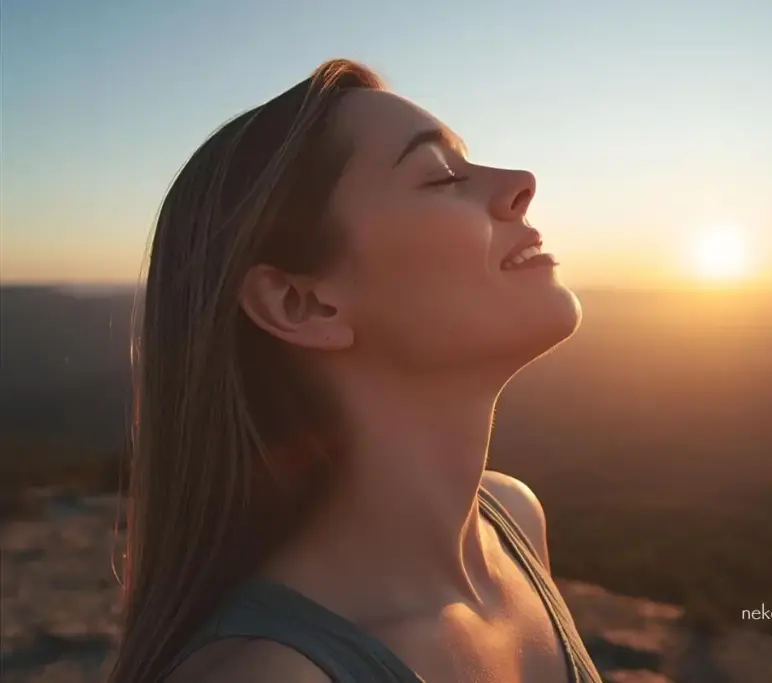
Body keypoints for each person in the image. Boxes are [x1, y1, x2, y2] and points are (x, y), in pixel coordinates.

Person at [106, 59, 602, 683]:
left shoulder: (513, 521)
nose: (521, 182)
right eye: (442, 176)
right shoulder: (271, 676)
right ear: (302, 303)